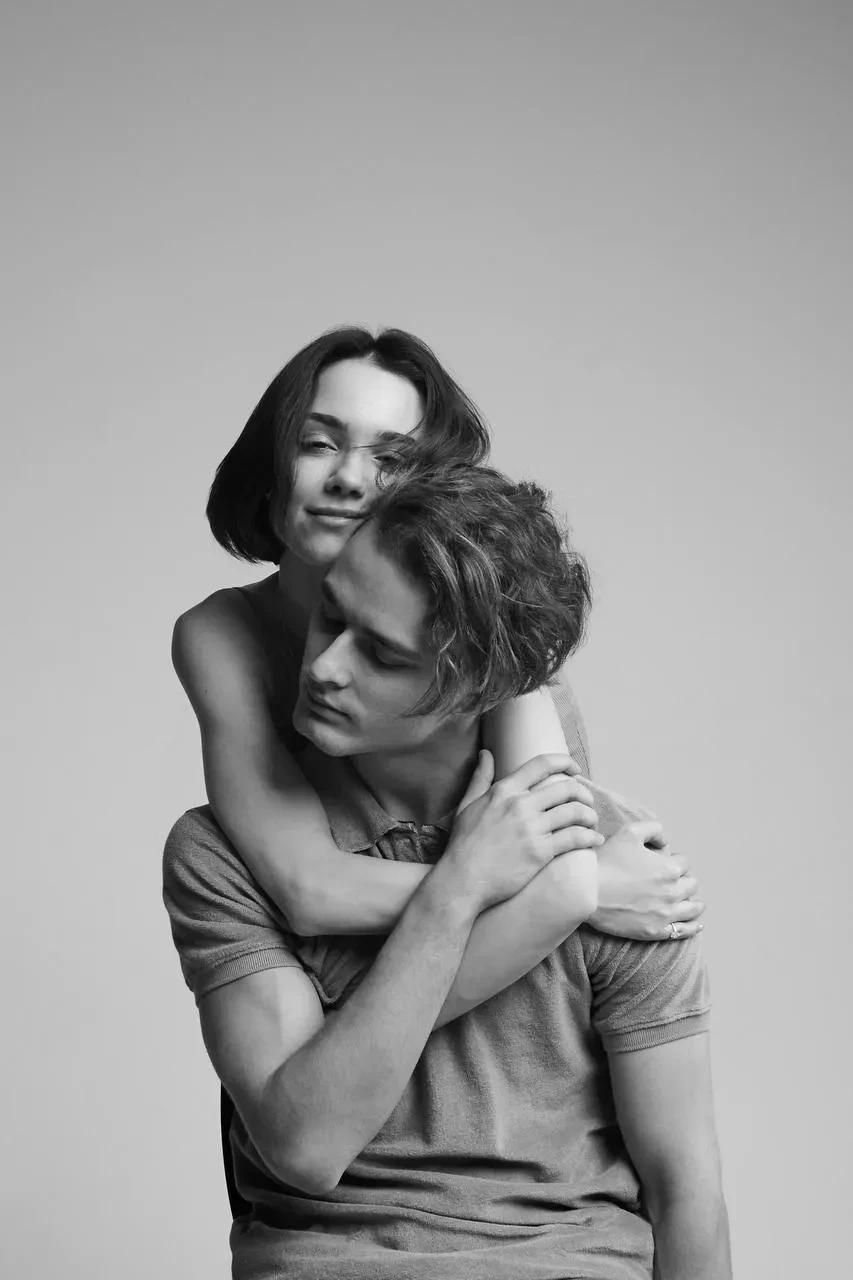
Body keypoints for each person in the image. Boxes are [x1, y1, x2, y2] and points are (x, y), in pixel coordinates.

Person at [163, 463, 730, 1279]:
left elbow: (686, 1188)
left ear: (476, 691)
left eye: (381, 655)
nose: (324, 666)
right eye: (330, 615)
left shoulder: (619, 868)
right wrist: (459, 884)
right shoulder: (225, 855)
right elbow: (304, 1144)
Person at [172, 326, 703, 954]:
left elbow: (559, 870)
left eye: (390, 460)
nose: (348, 477)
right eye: (318, 443)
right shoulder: (221, 633)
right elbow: (309, 891)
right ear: (271, 463)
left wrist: (568, 889)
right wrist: (591, 890)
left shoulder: (483, 624)